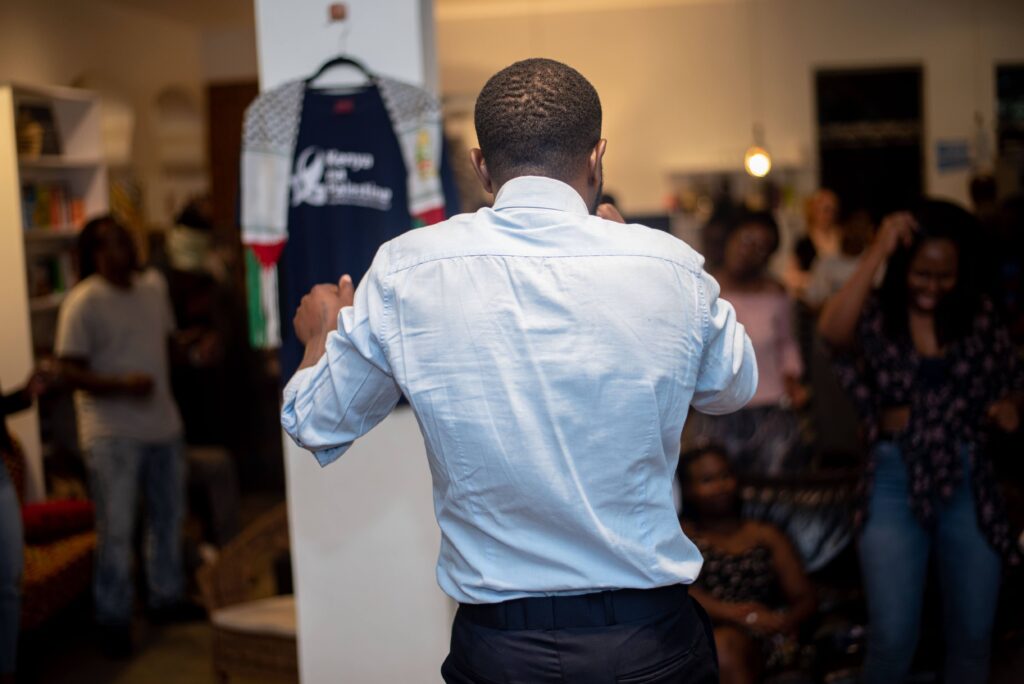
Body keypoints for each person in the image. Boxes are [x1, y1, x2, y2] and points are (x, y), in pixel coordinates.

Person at [281, 58, 757, 683]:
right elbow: (735, 386)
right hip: (648, 644)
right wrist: (641, 258)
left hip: (503, 650)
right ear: (597, 157)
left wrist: (321, 336)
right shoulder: (666, 264)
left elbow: (316, 420)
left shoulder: (406, 269)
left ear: (480, 165)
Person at [818, 200, 1024, 683]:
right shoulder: (877, 315)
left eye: (944, 276)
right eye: (921, 274)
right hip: (893, 477)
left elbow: (1013, 380)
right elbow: (831, 331)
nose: (931, 288)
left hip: (967, 472)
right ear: (903, 268)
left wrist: (1011, 405)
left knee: (973, 638)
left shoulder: (978, 317)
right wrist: (878, 249)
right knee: (893, 639)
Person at [55, 216, 188, 656]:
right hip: (112, 432)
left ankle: (164, 598)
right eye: (112, 245)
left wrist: (195, 347)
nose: (124, 252)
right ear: (94, 254)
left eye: (126, 242)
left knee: (168, 518)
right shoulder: (83, 302)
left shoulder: (152, 289)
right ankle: (112, 618)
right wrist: (120, 384)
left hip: (162, 423)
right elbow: (67, 370)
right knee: (117, 528)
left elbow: (167, 346)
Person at [677, 445, 816, 684]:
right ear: (688, 490)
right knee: (722, 644)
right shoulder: (681, 537)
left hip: (764, 636)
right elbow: (680, 593)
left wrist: (779, 622)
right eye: (708, 480)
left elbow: (805, 598)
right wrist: (739, 615)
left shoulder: (764, 535)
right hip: (703, 634)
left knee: (726, 646)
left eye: (725, 475)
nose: (721, 486)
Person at [685, 211, 807, 476]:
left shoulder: (776, 292)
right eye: (747, 240)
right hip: (717, 407)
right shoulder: (702, 288)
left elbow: (787, 343)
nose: (750, 251)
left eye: (762, 247)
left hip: (772, 407)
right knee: (717, 489)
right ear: (729, 239)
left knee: (774, 489)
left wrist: (793, 379)